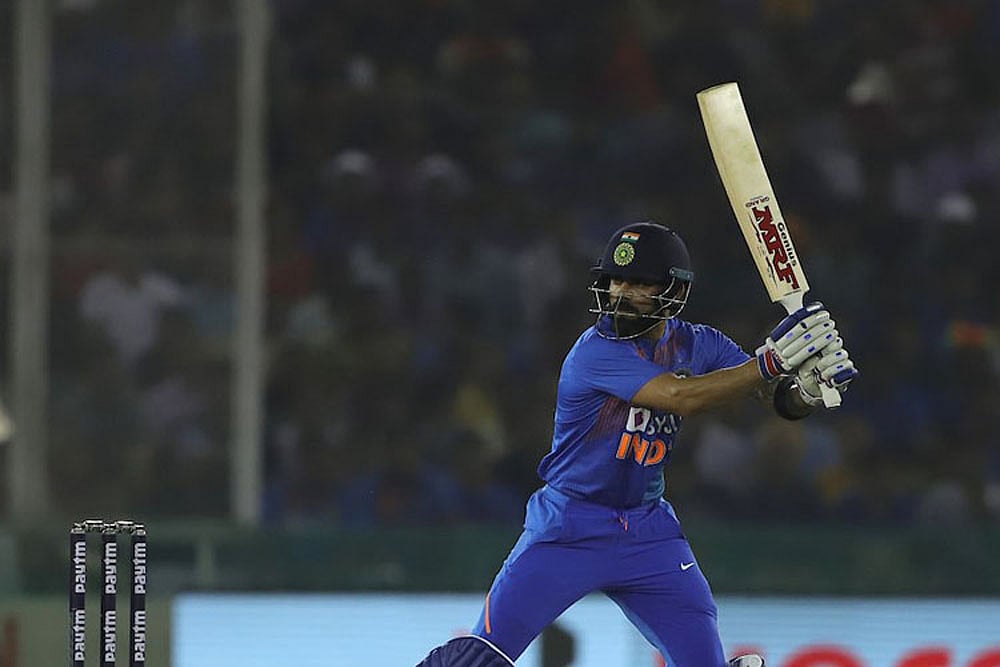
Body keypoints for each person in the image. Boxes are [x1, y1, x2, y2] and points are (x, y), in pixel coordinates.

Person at [416, 221, 857, 667]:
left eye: (639, 283)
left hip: (649, 533)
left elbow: (767, 395)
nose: (620, 293)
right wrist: (773, 361)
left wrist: (804, 390)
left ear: (673, 290)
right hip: (570, 525)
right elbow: (680, 397)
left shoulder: (698, 343)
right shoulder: (595, 352)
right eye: (615, 280)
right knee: (482, 657)